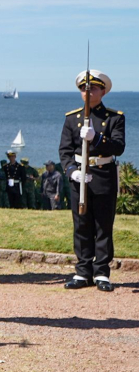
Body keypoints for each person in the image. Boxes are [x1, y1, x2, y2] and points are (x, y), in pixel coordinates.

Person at [59, 69, 124, 292]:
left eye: (93, 88)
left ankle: (102, 272)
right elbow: (65, 151)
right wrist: (71, 171)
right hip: (80, 176)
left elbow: (118, 147)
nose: (87, 92)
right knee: (81, 224)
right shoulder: (71, 118)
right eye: (83, 88)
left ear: (103, 91)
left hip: (103, 174)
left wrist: (96, 138)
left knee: (103, 225)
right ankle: (83, 271)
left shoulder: (115, 118)